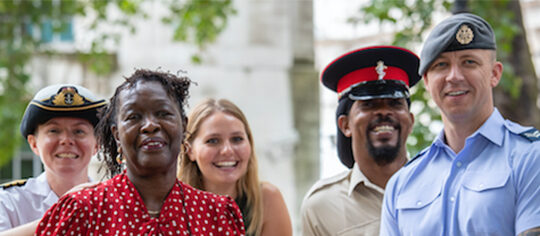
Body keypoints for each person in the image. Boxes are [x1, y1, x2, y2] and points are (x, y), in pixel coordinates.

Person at [380, 13, 540, 236]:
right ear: (426, 81)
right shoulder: (402, 183)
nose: (453, 76)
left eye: (469, 62)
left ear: (494, 74)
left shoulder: (531, 158)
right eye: (441, 65)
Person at [35, 69, 245, 235]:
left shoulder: (218, 215)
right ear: (117, 135)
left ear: (183, 126)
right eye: (134, 117)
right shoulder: (82, 211)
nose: (150, 126)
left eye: (163, 113)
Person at [301, 45, 419, 235]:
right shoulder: (321, 206)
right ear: (345, 125)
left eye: (395, 103)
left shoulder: (440, 186)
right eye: (369, 104)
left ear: (410, 121)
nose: (383, 111)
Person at [179, 98, 293, 236]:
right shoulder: (170, 205)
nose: (227, 150)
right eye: (213, 141)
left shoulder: (267, 199)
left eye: (237, 139)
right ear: (189, 150)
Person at [0, 84, 105, 232]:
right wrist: (61, 215)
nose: (66, 140)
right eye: (54, 130)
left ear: (97, 144)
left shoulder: (112, 203)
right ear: (34, 143)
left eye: (79, 131)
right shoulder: (9, 201)